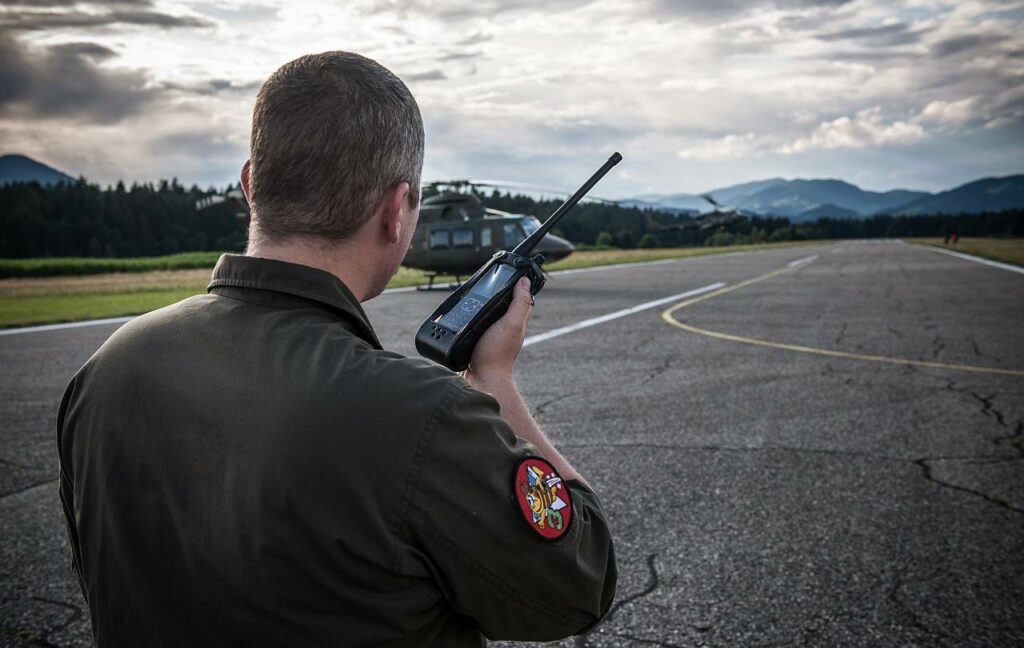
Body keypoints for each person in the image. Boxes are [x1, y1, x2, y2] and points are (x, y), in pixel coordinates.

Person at [56, 51, 616, 646]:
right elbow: (582, 583)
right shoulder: (420, 415)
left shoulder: (107, 369)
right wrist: (496, 379)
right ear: (396, 211)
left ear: (251, 186)